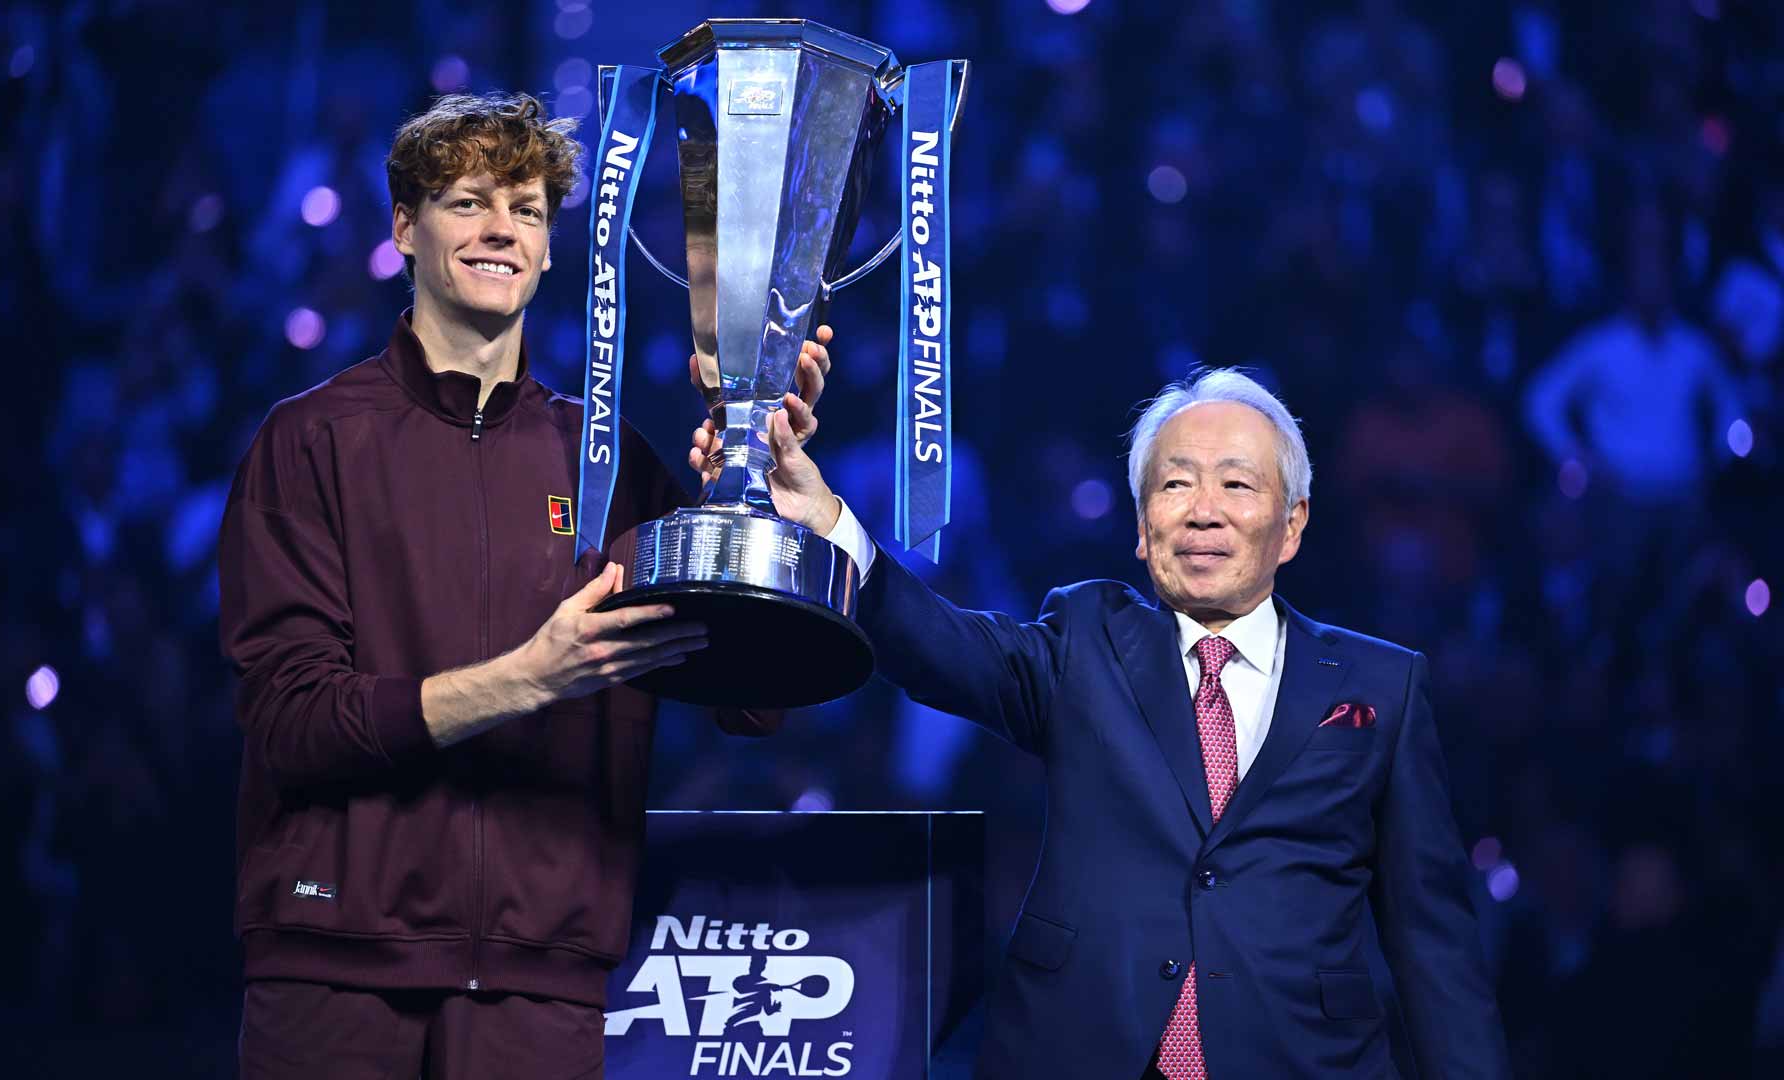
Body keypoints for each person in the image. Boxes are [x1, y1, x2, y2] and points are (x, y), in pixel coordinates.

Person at [217, 91, 833, 1079]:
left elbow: (757, 693)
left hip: (540, 987)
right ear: (404, 230)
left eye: (529, 209)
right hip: (331, 976)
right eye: (468, 201)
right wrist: (526, 678)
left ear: (550, 251)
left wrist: (755, 486)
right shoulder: (311, 442)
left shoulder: (610, 464)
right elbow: (291, 719)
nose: (501, 227)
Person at [696, 368, 1509, 1077]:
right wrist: (831, 523)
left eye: (1236, 484)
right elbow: (940, 645)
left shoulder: (1381, 685)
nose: (1203, 512)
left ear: (1291, 525)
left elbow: (1433, 944)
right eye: (1175, 484)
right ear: (1139, 526)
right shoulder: (1086, 639)